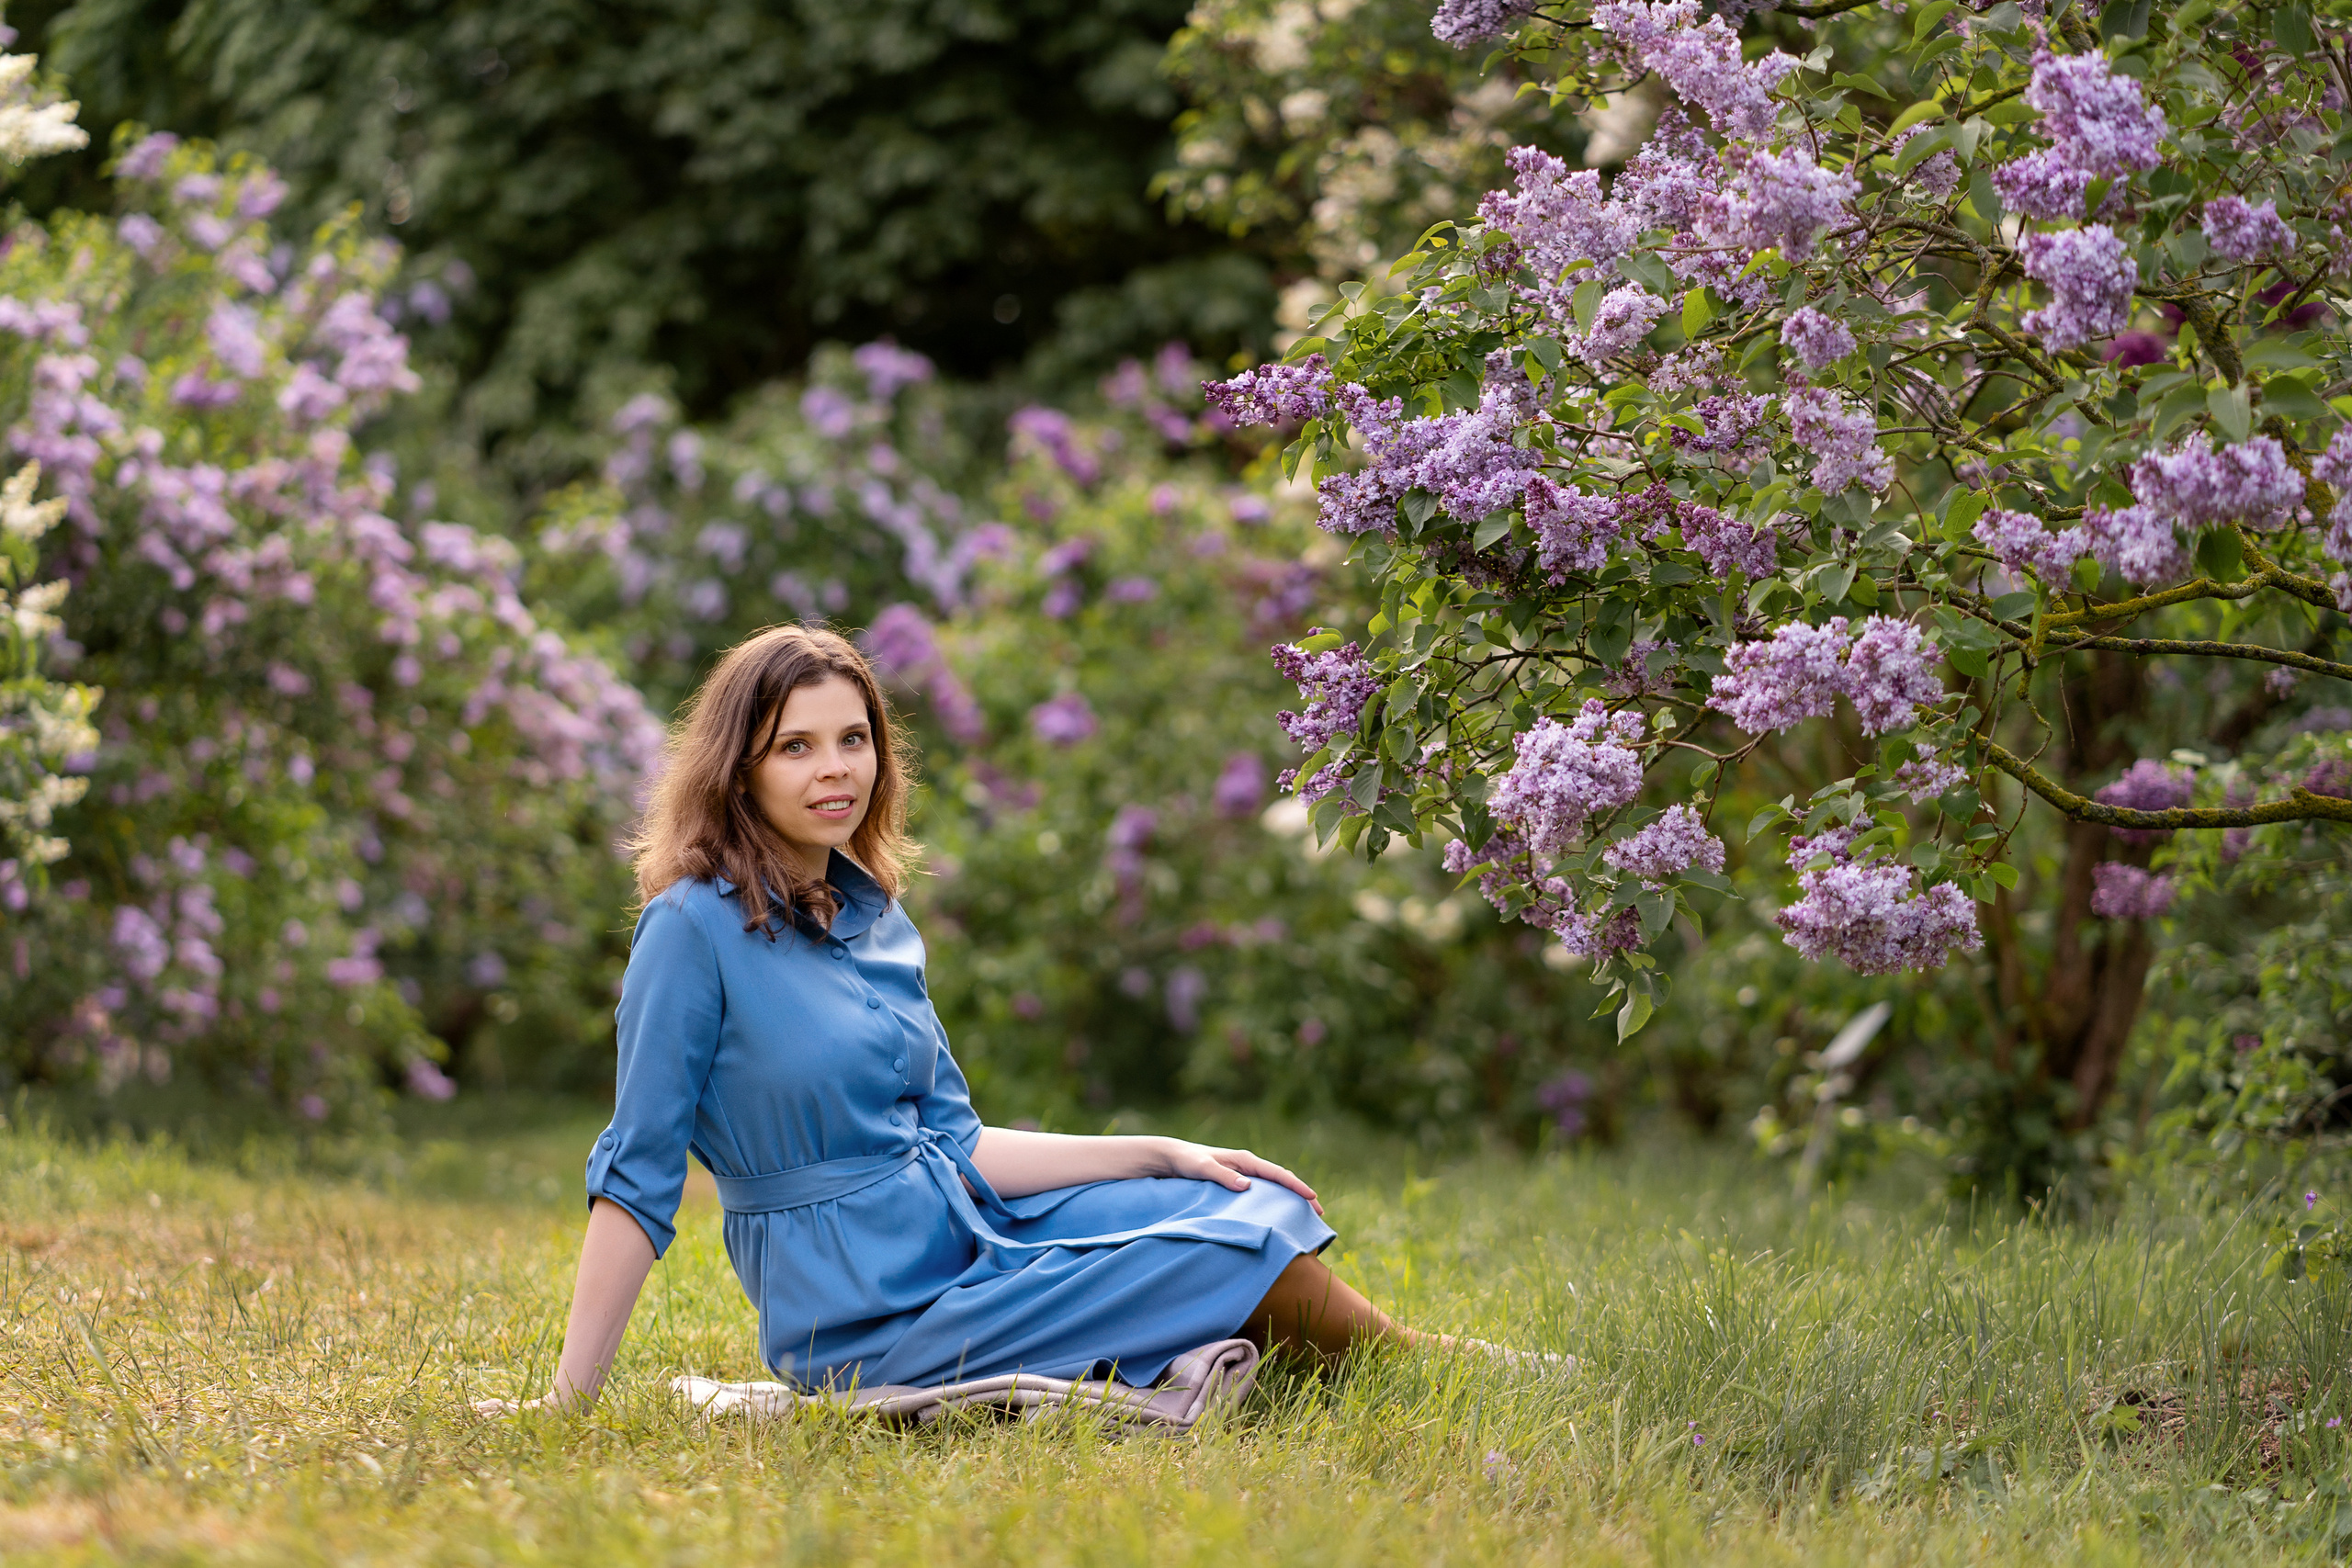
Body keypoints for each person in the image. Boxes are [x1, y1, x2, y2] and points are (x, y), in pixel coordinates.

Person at [481, 625, 1485, 1416]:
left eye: (853, 739)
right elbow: (638, 1171)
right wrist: (569, 1401)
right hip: (864, 1309)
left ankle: (1370, 1363)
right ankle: (1445, 1368)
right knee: (1215, 1255)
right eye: (795, 746)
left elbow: (953, 1141)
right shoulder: (689, 927)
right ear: (738, 769)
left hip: (961, 1234)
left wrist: (1158, 1152)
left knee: (1233, 1206)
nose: (835, 768)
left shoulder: (875, 915)